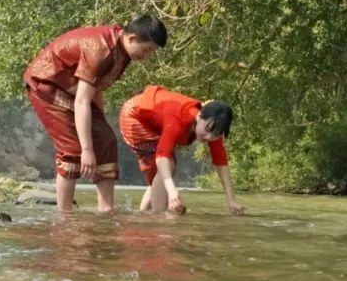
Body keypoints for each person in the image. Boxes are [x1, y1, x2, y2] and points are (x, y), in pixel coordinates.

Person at [24, 16, 167, 212]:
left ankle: (106, 210)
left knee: (106, 138)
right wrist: (87, 150)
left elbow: (96, 89)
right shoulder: (101, 49)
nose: (147, 55)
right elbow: (82, 101)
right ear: (132, 38)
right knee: (73, 149)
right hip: (46, 84)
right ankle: (65, 215)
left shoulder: (123, 52)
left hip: (73, 89)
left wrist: (99, 124)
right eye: (148, 49)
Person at [119, 84, 246, 216]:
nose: (209, 137)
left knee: (163, 171)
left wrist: (231, 200)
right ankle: (157, 216)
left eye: (216, 135)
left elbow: (221, 164)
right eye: (207, 131)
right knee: (168, 164)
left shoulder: (214, 128)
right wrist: (172, 192)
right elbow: (161, 157)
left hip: (152, 120)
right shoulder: (178, 119)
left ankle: (145, 215)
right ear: (199, 116)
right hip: (133, 117)